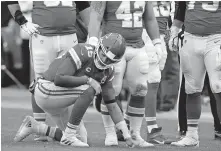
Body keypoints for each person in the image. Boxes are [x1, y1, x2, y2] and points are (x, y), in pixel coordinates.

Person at [14, 33, 135, 147]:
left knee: (82, 139)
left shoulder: (108, 71)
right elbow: (59, 79)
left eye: (109, 60)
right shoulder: (83, 51)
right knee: (90, 88)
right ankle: (69, 135)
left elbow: (112, 105)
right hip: (45, 88)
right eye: (103, 54)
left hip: (62, 99)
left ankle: (35, 127)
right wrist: (88, 80)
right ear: (98, 47)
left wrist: (126, 134)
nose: (104, 60)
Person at [7, 1, 90, 141]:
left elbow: (83, 4)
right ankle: (42, 127)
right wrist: (22, 21)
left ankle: (47, 128)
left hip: (69, 36)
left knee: (71, 80)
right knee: (41, 81)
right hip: (43, 36)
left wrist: (92, 33)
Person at [88, 1, 166, 147]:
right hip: (112, 49)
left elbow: (149, 18)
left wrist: (157, 43)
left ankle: (135, 134)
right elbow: (96, 15)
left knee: (140, 89)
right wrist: (92, 40)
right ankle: (110, 132)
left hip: (137, 46)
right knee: (112, 90)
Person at [169, 1, 221, 147]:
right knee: (191, 89)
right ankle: (192, 135)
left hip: (216, 39)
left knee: (218, 86)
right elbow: (181, 8)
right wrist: (174, 31)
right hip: (190, 38)